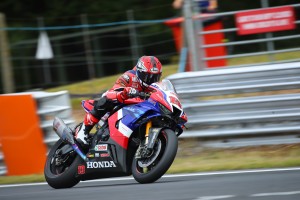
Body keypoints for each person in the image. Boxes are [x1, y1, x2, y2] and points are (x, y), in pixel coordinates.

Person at [75, 55, 163, 146]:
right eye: (148, 77)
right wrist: (125, 93)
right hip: (119, 104)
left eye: (155, 77)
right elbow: (115, 90)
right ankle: (83, 130)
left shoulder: (154, 87)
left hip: (137, 110)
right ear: (140, 72)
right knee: (108, 98)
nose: (151, 81)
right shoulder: (128, 76)